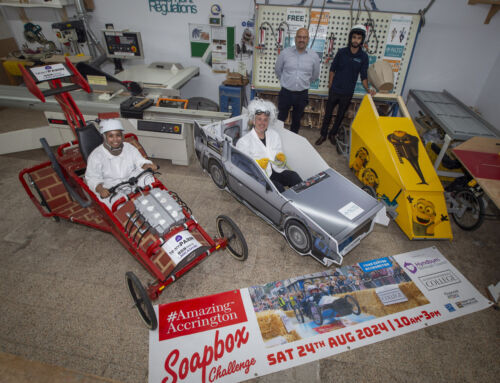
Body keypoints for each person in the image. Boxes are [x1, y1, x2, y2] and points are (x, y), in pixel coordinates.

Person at [315, 24, 376, 146]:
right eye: (354, 37)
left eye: (359, 38)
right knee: (328, 114)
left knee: (340, 115)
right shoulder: (341, 52)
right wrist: (330, 84)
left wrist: (368, 89)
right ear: (350, 38)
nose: (356, 40)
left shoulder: (363, 57)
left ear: (362, 40)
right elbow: (332, 69)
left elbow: (363, 76)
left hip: (348, 92)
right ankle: (323, 135)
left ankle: (333, 134)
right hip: (335, 90)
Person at [85, 119, 158, 208]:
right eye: (111, 136)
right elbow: (92, 177)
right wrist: (101, 190)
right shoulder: (96, 155)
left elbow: (139, 161)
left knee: (148, 178)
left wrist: (148, 165)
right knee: (119, 206)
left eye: (118, 135)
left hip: (131, 179)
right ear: (105, 137)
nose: (115, 139)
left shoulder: (128, 147)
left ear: (122, 136)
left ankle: (156, 204)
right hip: (111, 186)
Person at [236, 98, 302, 192]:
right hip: (260, 176)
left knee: (294, 176)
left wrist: (280, 157)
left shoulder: (274, 135)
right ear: (253, 121)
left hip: (275, 170)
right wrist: (257, 164)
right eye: (259, 119)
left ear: (268, 121)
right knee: (278, 188)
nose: (262, 123)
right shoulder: (243, 142)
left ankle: (302, 201)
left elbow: (278, 152)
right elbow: (245, 166)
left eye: (265, 120)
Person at [275, 27, 320, 134]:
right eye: (299, 37)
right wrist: (286, 81)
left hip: (302, 95)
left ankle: (293, 138)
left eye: (304, 37)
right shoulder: (285, 53)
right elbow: (278, 70)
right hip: (286, 93)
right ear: (295, 38)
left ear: (308, 39)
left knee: (297, 119)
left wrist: (304, 82)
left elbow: (315, 75)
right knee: (280, 117)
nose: (301, 40)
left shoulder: (314, 56)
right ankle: (276, 137)